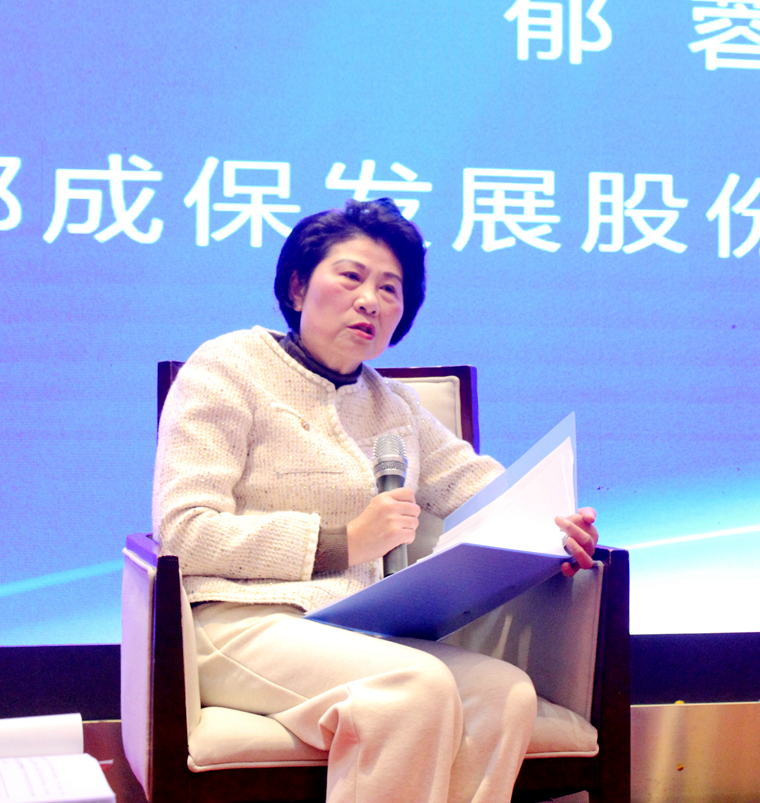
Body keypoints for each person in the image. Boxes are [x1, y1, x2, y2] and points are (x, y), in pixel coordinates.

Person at [153, 198, 599, 803]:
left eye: (391, 289)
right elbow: (185, 532)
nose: (371, 300)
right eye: (351, 276)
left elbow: (478, 484)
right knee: (412, 688)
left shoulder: (394, 405)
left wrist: (555, 527)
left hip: (353, 631)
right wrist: (345, 543)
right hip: (237, 621)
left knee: (504, 694)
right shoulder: (227, 367)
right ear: (297, 287)